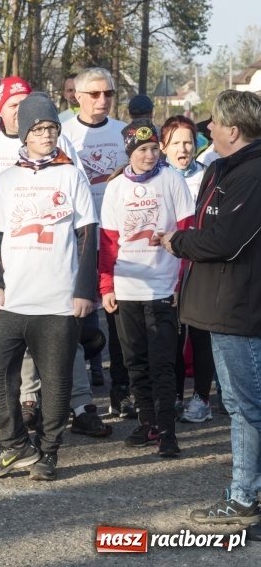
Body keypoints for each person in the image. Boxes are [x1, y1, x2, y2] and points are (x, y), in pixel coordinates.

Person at [0, 92, 98, 481]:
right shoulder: (8, 178)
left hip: (59, 300)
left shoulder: (71, 175)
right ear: (24, 133)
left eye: (52, 128)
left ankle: (48, 452)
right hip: (14, 298)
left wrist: (84, 290)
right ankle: (16, 447)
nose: (47, 135)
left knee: (57, 379)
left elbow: (87, 237)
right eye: (39, 129)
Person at [157, 91, 261, 537]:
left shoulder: (254, 173)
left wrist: (177, 242)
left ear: (233, 130)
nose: (206, 132)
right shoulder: (220, 167)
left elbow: (223, 241)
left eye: (213, 126)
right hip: (218, 303)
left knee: (245, 406)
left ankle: (244, 498)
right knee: (241, 403)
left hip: (240, 306)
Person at [100, 119, 194, 459]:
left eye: (155, 148)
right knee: (134, 361)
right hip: (127, 287)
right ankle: (148, 421)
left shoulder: (171, 180)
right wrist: (106, 285)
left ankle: (168, 430)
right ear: (129, 153)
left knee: (163, 362)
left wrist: (182, 282)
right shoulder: (115, 188)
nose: (150, 155)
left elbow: (187, 232)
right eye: (142, 150)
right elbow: (108, 241)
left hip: (163, 285)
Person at [62, 67, 133, 419]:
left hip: (117, 236)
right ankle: (77, 397)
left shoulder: (123, 133)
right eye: (94, 94)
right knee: (75, 317)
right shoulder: (61, 131)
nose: (102, 100)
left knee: (118, 317)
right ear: (77, 95)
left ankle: (121, 389)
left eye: (108, 94)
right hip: (75, 237)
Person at [159, 115, 215, 423]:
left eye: (189, 142)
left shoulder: (208, 175)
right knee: (172, 337)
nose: (184, 149)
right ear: (163, 146)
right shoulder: (158, 177)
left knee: (200, 334)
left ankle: (202, 398)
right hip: (168, 268)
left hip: (200, 267)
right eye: (177, 143)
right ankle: (175, 396)